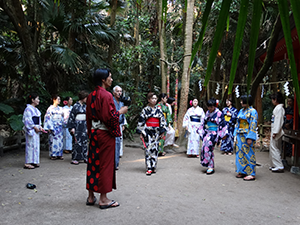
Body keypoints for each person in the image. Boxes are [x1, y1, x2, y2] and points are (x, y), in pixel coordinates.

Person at [85, 68, 128, 209]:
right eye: (110, 77)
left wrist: (90, 133)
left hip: (94, 133)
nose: (111, 79)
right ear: (103, 80)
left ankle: (91, 196)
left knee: (93, 162)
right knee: (105, 164)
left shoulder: (91, 95)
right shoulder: (107, 95)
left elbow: (88, 118)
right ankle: (103, 199)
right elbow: (109, 117)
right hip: (104, 134)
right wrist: (121, 111)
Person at [136, 92, 167, 176]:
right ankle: (149, 167)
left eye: (155, 98)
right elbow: (141, 121)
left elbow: (163, 121)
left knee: (155, 149)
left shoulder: (159, 109)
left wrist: (162, 131)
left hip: (156, 131)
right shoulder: (145, 110)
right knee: (148, 149)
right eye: (152, 98)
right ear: (148, 99)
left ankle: (153, 166)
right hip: (147, 132)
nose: (154, 100)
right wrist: (141, 132)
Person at [197, 98, 227, 175]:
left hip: (214, 133)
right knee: (204, 148)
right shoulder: (207, 112)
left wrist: (222, 135)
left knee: (208, 148)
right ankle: (210, 166)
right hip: (207, 132)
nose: (210, 109)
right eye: (208, 107)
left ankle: (210, 166)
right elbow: (204, 123)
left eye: (211, 107)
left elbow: (222, 124)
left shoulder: (219, 113)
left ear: (214, 106)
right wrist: (201, 130)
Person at [234, 95, 258, 181]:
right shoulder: (241, 111)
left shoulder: (253, 111)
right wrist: (235, 134)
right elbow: (237, 123)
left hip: (247, 134)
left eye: (242, 101)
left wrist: (250, 137)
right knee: (240, 152)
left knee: (249, 153)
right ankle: (242, 171)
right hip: (240, 134)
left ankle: (251, 173)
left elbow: (253, 124)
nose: (241, 102)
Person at [22, 93, 46, 169]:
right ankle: (28, 162)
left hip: (36, 129)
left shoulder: (36, 109)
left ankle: (34, 161)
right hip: (32, 129)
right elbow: (28, 120)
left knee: (35, 146)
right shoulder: (28, 109)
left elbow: (38, 120)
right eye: (37, 99)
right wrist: (34, 127)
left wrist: (40, 126)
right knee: (30, 146)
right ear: (32, 100)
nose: (38, 100)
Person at [67, 91, 89, 165]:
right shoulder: (75, 106)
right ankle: (75, 157)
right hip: (77, 125)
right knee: (77, 142)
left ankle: (84, 156)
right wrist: (72, 127)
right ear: (83, 98)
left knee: (84, 141)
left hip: (84, 125)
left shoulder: (86, 106)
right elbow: (71, 117)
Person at [44, 95, 65, 160]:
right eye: (58, 99)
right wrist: (49, 127)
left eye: (59, 99)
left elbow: (63, 117)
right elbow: (47, 118)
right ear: (54, 100)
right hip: (53, 126)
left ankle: (59, 154)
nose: (59, 100)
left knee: (60, 140)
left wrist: (63, 122)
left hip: (59, 126)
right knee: (53, 140)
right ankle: (53, 154)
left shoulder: (61, 109)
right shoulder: (50, 109)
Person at [269, 92, 285, 173]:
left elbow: (278, 121)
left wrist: (275, 132)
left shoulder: (279, 109)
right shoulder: (278, 108)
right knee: (275, 148)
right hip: (275, 129)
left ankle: (279, 165)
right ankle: (275, 164)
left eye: (273, 99)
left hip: (276, 130)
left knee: (274, 148)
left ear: (275, 100)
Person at [112, 85, 127, 170]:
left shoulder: (122, 102)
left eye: (120, 91)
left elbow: (123, 113)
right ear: (114, 92)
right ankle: (112, 163)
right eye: (117, 91)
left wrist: (123, 124)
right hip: (112, 124)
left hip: (119, 125)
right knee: (112, 144)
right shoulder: (111, 101)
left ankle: (116, 163)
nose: (119, 93)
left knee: (118, 144)